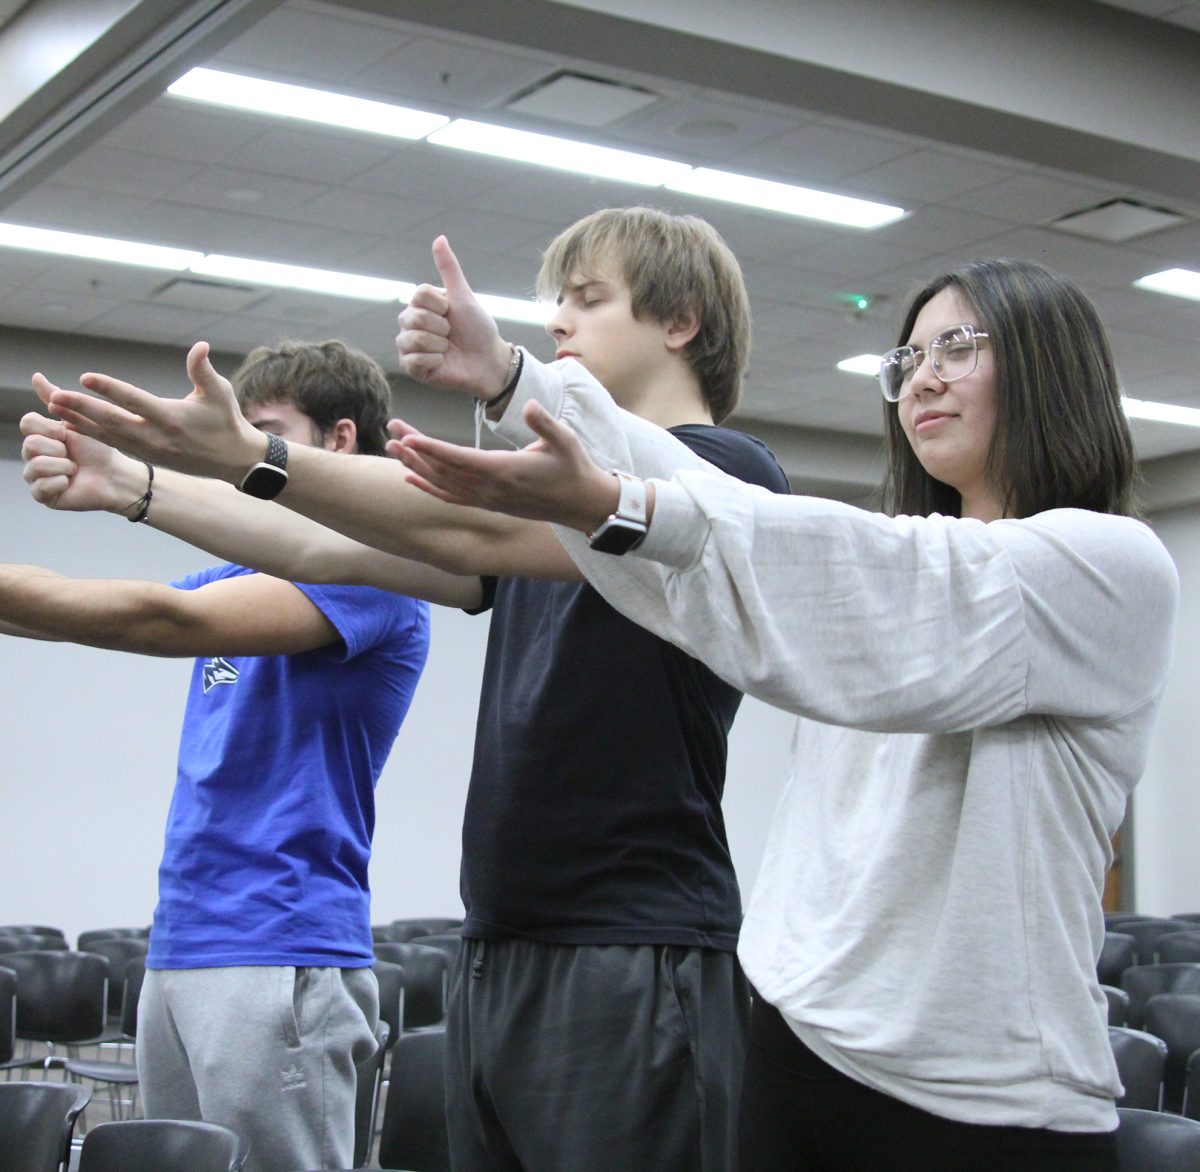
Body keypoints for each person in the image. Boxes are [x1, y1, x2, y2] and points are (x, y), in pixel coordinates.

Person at [30, 207, 793, 1171]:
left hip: (632, 945)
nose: (559, 322)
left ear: (680, 321)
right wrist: (135, 486)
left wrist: (247, 455)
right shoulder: (551, 508)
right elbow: (328, 545)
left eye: (588, 301)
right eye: (555, 303)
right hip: (504, 939)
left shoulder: (727, 474)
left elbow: (457, 531)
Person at [383, 256, 1180, 1170]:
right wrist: (517, 381)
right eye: (908, 358)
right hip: (800, 1049)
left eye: (957, 347)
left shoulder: (1111, 567)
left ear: (1051, 364)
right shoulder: (895, 564)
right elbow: (730, 517)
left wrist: (615, 501)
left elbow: (848, 565)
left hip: (984, 1103)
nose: (921, 377)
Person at [7, 340, 437, 1172]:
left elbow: (165, 622)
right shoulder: (238, 573)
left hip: (279, 942)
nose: (239, 455)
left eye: (265, 431)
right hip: (187, 941)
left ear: (340, 440)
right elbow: (82, 614)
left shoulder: (380, 572)